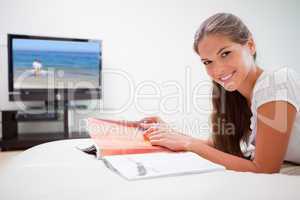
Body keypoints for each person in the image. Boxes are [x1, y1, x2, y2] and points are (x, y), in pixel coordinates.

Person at [139, 13, 300, 173]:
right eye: (208, 62)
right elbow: (217, 146)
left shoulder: (276, 82)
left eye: (225, 53)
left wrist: (189, 144)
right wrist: (171, 133)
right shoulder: (235, 96)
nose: (218, 70)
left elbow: (265, 169)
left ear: (250, 45)